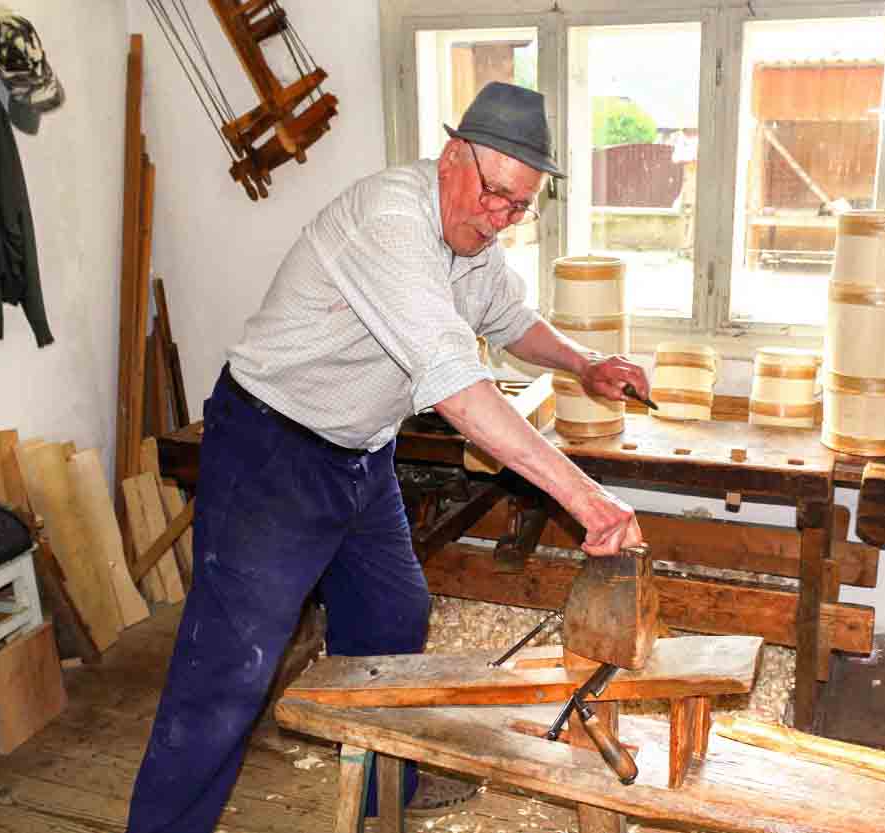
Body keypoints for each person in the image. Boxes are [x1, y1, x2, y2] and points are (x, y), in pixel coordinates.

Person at [126, 81, 650, 833]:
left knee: (393, 616)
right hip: (271, 448)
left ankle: (383, 788)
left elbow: (509, 319)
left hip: (359, 455)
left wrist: (585, 362)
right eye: (493, 194)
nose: (499, 217)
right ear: (451, 158)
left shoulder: (474, 240)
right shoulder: (389, 222)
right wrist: (587, 498)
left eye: (518, 207)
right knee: (230, 670)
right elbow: (456, 387)